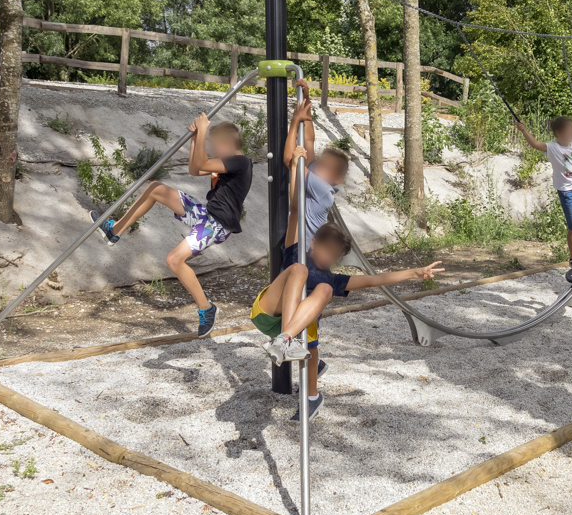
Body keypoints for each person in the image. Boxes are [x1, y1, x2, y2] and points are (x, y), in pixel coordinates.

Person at [251, 147, 443, 421]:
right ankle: (286, 338)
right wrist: (295, 164)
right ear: (313, 241)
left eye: (332, 256)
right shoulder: (297, 247)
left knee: (324, 292)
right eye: (323, 249)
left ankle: (293, 357)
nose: (325, 257)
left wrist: (415, 273)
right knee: (298, 270)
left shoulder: (331, 277)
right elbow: (296, 208)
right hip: (268, 311)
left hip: (298, 321)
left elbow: (374, 280)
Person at [91, 113, 252, 338]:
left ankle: (207, 308)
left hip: (216, 224)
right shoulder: (228, 163)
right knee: (156, 188)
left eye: (215, 146)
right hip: (205, 214)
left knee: (174, 260)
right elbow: (196, 169)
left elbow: (202, 163)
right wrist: (196, 138)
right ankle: (114, 230)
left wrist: (203, 129)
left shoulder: (240, 161)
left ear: (228, 144)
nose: (214, 151)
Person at [515, 116, 572, 273]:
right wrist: (524, 130)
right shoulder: (552, 147)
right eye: (568, 130)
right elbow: (534, 144)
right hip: (567, 192)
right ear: (558, 133)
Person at [282, 92, 350, 244]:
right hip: (296, 246)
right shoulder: (315, 175)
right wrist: (306, 101)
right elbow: (308, 139)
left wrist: (295, 121)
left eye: (327, 167)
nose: (319, 167)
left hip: (302, 252)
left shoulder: (323, 190)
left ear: (338, 179)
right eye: (321, 163)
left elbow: (289, 160)